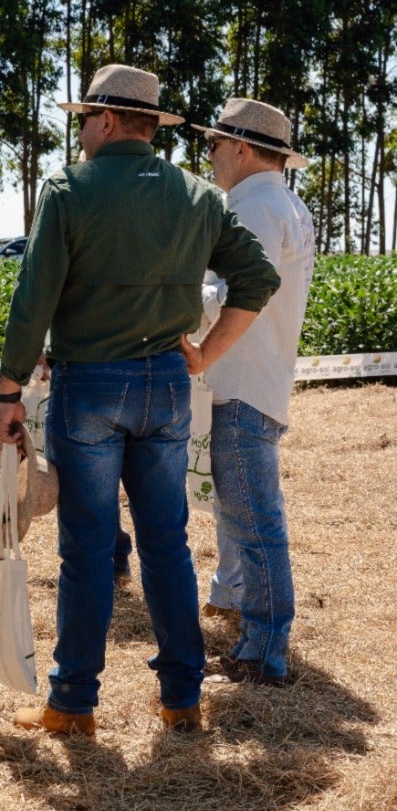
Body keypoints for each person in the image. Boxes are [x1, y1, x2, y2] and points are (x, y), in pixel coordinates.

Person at [0, 64, 281, 735]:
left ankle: (73, 703)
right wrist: (205, 353)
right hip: (168, 386)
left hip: (90, 385)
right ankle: (182, 697)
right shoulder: (196, 195)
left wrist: (9, 389)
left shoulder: (69, 187)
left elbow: (34, 296)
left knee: (89, 550)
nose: (81, 132)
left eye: (85, 120)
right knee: (167, 544)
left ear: (108, 119)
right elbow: (258, 278)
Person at [188, 98, 315, 686]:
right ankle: (255, 630)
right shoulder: (286, 203)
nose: (209, 154)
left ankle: (264, 650)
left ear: (240, 147)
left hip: (239, 383)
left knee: (255, 522)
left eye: (213, 143)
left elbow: (236, 295)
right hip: (260, 380)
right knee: (250, 516)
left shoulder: (255, 207)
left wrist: (179, 301)